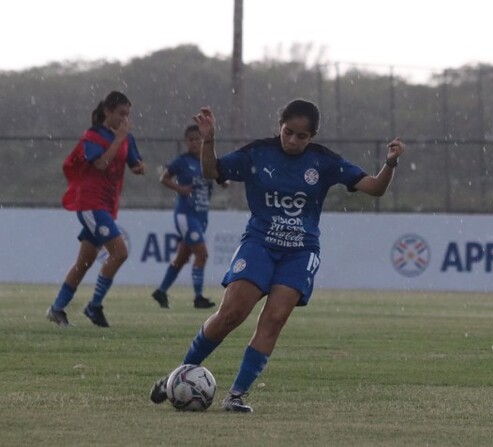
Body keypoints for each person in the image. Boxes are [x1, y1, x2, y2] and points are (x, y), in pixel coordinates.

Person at [149, 98, 405, 412]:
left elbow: (375, 188)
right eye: (288, 132)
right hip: (259, 244)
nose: (294, 141)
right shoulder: (257, 153)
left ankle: (237, 396)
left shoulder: (323, 161)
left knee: (274, 319)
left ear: (313, 136)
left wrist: (390, 163)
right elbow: (210, 170)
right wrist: (209, 139)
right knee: (231, 314)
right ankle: (179, 375)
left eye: (302, 136)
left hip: (300, 251)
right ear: (279, 126)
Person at [46, 91, 145, 328]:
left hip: (108, 205)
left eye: (128, 114)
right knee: (120, 252)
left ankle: (57, 309)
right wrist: (119, 139)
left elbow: (135, 164)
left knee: (84, 262)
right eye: (121, 113)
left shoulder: (125, 138)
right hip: (91, 203)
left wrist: (140, 166)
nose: (125, 119)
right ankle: (94, 306)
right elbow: (100, 164)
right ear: (107, 112)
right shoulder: (93, 136)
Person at [151, 124, 225, 309]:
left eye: (197, 139)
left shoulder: (207, 161)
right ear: (186, 142)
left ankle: (161, 291)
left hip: (201, 216)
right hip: (186, 215)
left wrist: (224, 181)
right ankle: (198, 297)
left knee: (182, 258)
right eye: (190, 140)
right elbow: (164, 177)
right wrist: (180, 189)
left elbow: (222, 178)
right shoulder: (182, 161)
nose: (194, 143)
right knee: (202, 253)